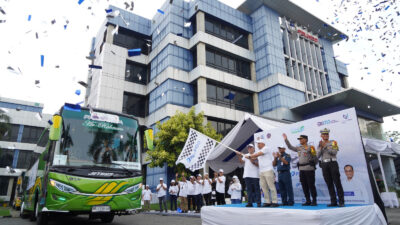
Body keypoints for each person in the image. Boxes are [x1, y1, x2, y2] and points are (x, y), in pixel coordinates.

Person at [283, 133, 318, 206]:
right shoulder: (299, 148)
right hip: (301, 169)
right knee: (304, 185)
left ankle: (314, 200)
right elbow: (290, 147)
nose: (300, 140)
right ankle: (308, 200)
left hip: (309, 168)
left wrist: (314, 164)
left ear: (305, 140)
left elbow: (315, 158)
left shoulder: (310, 147)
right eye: (299, 139)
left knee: (311, 185)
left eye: (301, 139)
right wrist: (286, 139)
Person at [317, 128, 345, 207]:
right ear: (321, 136)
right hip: (324, 165)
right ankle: (333, 201)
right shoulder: (320, 144)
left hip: (333, 163)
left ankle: (341, 201)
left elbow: (334, 152)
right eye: (324, 134)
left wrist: (325, 146)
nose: (325, 135)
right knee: (329, 183)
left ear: (328, 135)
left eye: (327, 134)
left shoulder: (333, 142)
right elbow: (317, 155)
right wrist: (321, 148)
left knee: (337, 182)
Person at [249, 139, 278, 207]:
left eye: (259, 143)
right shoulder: (259, 151)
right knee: (264, 187)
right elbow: (254, 157)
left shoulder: (266, 148)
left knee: (271, 186)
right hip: (261, 171)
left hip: (268, 170)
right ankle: (267, 201)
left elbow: (257, 154)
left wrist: (250, 156)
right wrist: (247, 156)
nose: (257, 145)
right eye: (257, 144)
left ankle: (275, 202)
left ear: (263, 143)